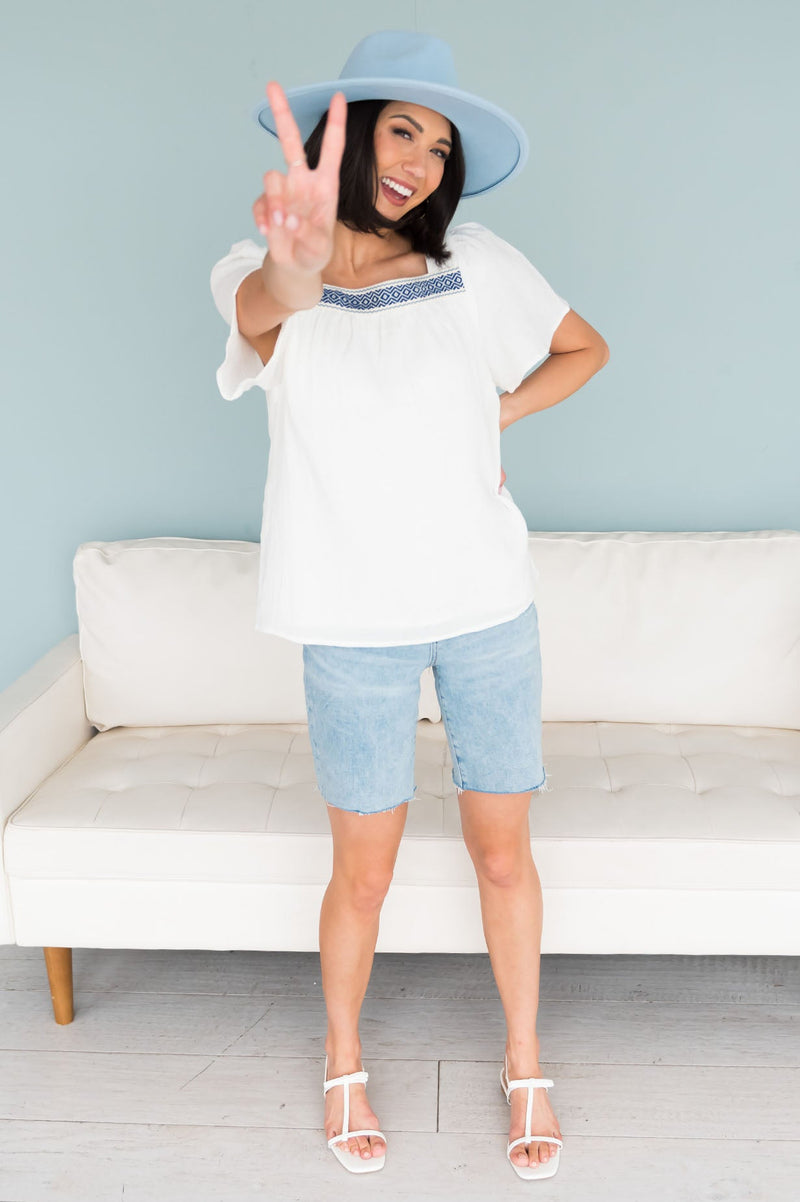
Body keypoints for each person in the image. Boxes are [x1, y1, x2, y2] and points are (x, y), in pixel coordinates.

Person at [210, 30, 609, 1181]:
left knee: (501, 855)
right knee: (365, 871)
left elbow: (582, 348)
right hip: (348, 622)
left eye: (439, 146)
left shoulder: (473, 262)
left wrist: (496, 415)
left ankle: (523, 1060)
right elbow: (270, 304)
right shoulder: (258, 265)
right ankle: (342, 1061)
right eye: (401, 131)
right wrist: (296, 257)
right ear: (349, 138)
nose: (422, 162)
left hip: (486, 607)